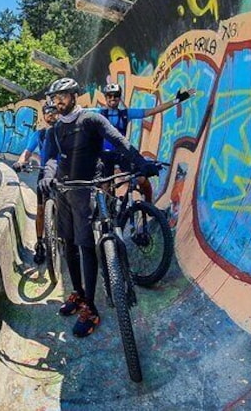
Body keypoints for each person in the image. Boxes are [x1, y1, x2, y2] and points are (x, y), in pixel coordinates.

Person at [39, 77, 161, 338]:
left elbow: (118, 141)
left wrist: (140, 162)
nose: (58, 102)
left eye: (62, 96)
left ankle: (91, 307)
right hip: (63, 191)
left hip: (86, 191)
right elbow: (51, 158)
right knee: (68, 245)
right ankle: (78, 294)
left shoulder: (92, 120)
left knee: (85, 247)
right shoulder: (56, 129)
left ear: (74, 96)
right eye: (55, 98)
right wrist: (48, 176)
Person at [94, 83, 195, 201]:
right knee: (105, 186)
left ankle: (149, 207)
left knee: (142, 179)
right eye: (109, 96)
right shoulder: (98, 113)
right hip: (105, 155)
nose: (112, 98)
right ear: (105, 98)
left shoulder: (126, 114)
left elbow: (152, 111)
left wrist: (176, 101)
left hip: (122, 153)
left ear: (119, 97)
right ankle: (105, 214)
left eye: (115, 96)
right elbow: (77, 113)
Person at [12, 103, 59, 265]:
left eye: (54, 112)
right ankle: (40, 243)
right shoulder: (39, 134)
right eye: (48, 113)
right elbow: (27, 151)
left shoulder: (65, 131)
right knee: (40, 209)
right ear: (44, 117)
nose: (51, 116)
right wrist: (20, 162)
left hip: (64, 173)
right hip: (45, 172)